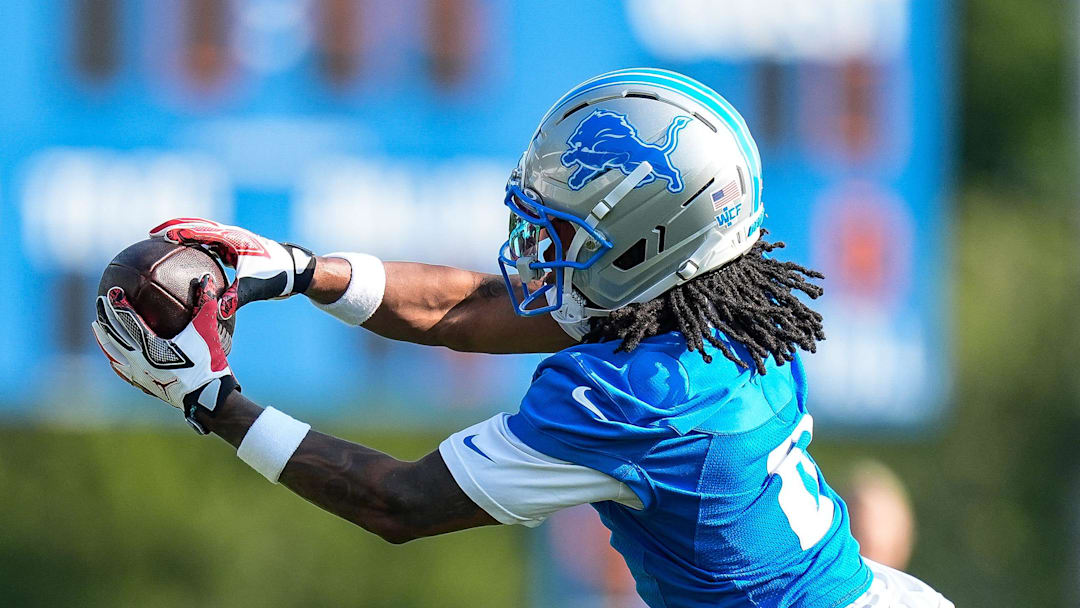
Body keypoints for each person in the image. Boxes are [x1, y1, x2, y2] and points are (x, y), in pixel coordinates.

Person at [91, 68, 952, 607]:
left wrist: (211, 400)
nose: (537, 251)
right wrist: (299, 267)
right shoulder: (720, 296)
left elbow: (398, 502)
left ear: (648, 242)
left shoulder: (636, 399)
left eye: (566, 230)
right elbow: (469, 308)